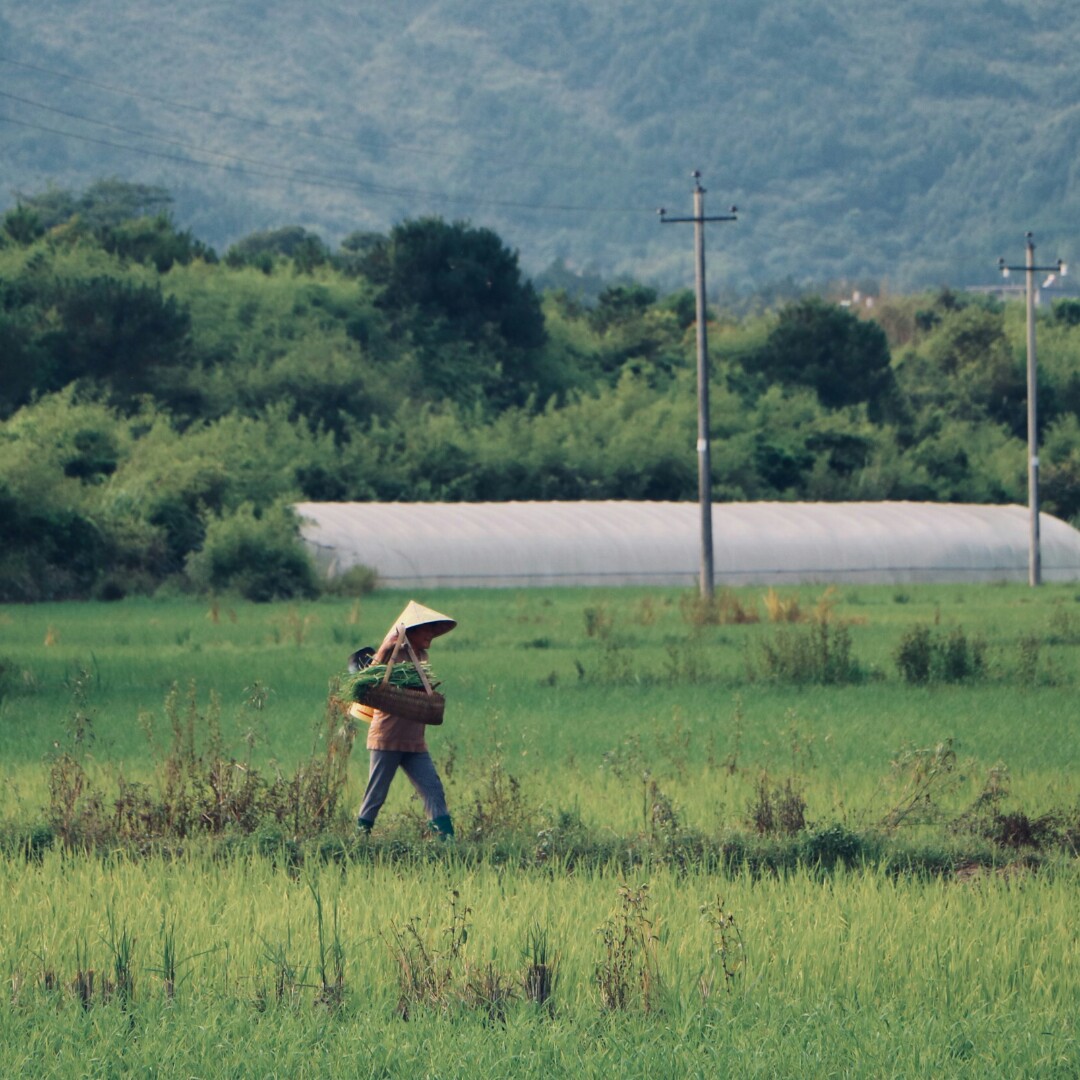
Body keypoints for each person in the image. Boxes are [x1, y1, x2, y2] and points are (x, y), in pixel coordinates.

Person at [355, 600, 456, 838]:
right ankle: (359, 841)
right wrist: (384, 648)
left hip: (414, 740)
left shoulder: (422, 656)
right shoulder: (392, 653)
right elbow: (366, 683)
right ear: (411, 630)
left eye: (433, 629)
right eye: (427, 628)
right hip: (387, 737)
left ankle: (447, 843)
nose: (431, 633)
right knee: (376, 795)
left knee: (433, 789)